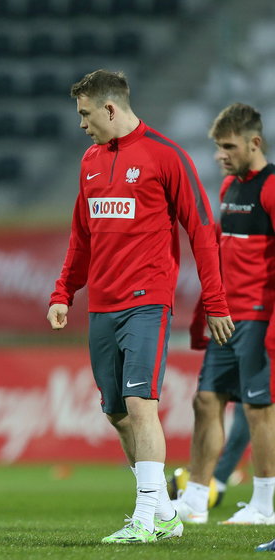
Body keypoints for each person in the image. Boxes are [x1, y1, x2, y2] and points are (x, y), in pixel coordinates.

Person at [47, 69, 234, 544]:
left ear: (110, 108)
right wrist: (62, 292)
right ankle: (166, 511)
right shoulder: (89, 161)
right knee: (116, 412)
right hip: (102, 307)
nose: (83, 125)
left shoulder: (166, 156)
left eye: (86, 115)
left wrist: (214, 302)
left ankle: (146, 518)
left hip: (147, 301)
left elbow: (202, 230)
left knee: (140, 402)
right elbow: (80, 238)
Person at [173, 103, 275, 526]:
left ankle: (265, 505)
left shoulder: (271, 187)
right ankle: (197, 496)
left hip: (258, 317)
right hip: (227, 317)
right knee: (206, 400)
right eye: (217, 147)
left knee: (258, 409)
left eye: (228, 146)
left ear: (255, 142)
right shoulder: (229, 187)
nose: (220, 155)